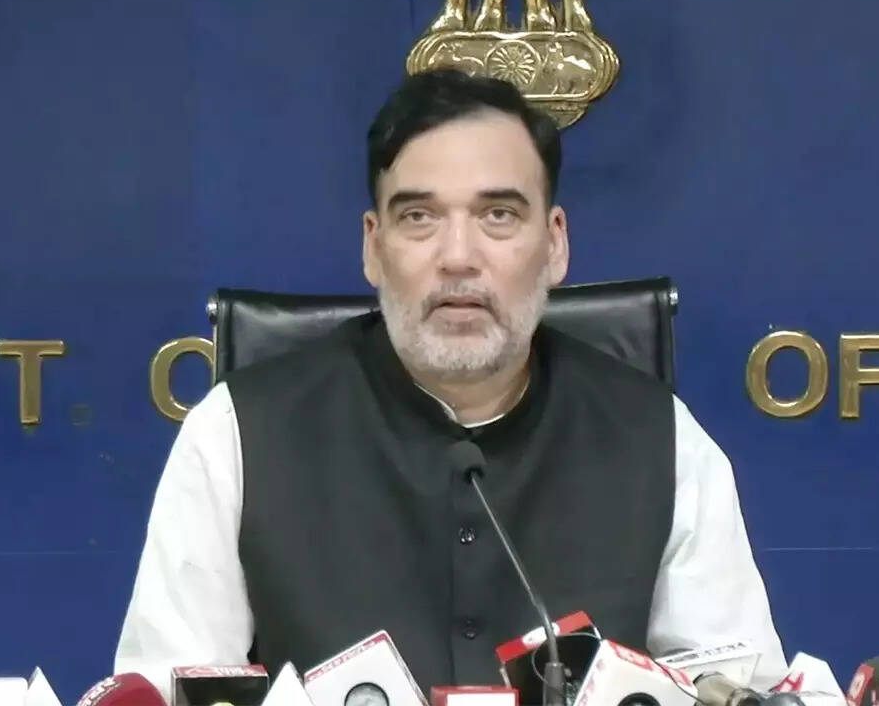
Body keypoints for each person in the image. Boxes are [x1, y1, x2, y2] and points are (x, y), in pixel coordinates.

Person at [114, 69, 787, 699]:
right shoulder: (236, 435)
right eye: (419, 217)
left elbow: (733, 686)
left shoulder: (660, 439)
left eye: (499, 215)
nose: (458, 257)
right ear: (373, 247)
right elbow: (169, 690)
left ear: (554, 244)